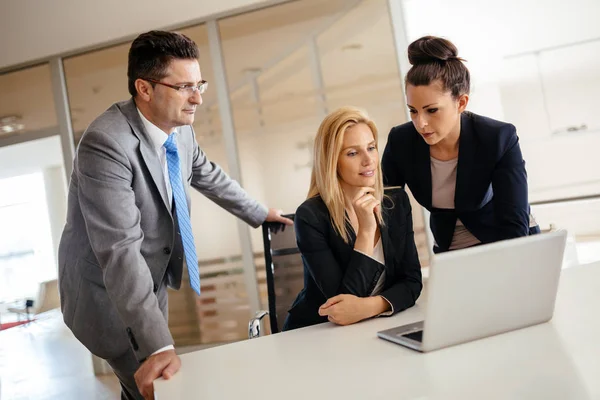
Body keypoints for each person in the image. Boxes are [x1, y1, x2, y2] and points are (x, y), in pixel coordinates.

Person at [57, 30, 292, 400]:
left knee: (154, 385)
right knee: (152, 387)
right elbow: (120, 251)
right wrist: (158, 346)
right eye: (184, 87)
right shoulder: (105, 144)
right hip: (106, 293)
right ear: (145, 88)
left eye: (199, 84)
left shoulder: (180, 132)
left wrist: (260, 213)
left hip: (151, 277)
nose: (197, 98)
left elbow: (203, 171)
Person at [382, 36, 540, 254]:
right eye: (413, 110)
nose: (421, 123)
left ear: (461, 102)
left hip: (508, 237)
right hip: (450, 247)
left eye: (432, 110)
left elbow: (514, 223)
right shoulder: (401, 141)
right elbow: (384, 207)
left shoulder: (497, 137)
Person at [282, 106, 422, 331]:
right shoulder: (311, 216)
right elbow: (342, 307)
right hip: (316, 336)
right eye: (353, 153)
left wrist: (371, 307)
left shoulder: (395, 202)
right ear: (332, 161)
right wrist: (366, 231)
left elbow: (412, 282)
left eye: (371, 148)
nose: (369, 160)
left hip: (374, 329)